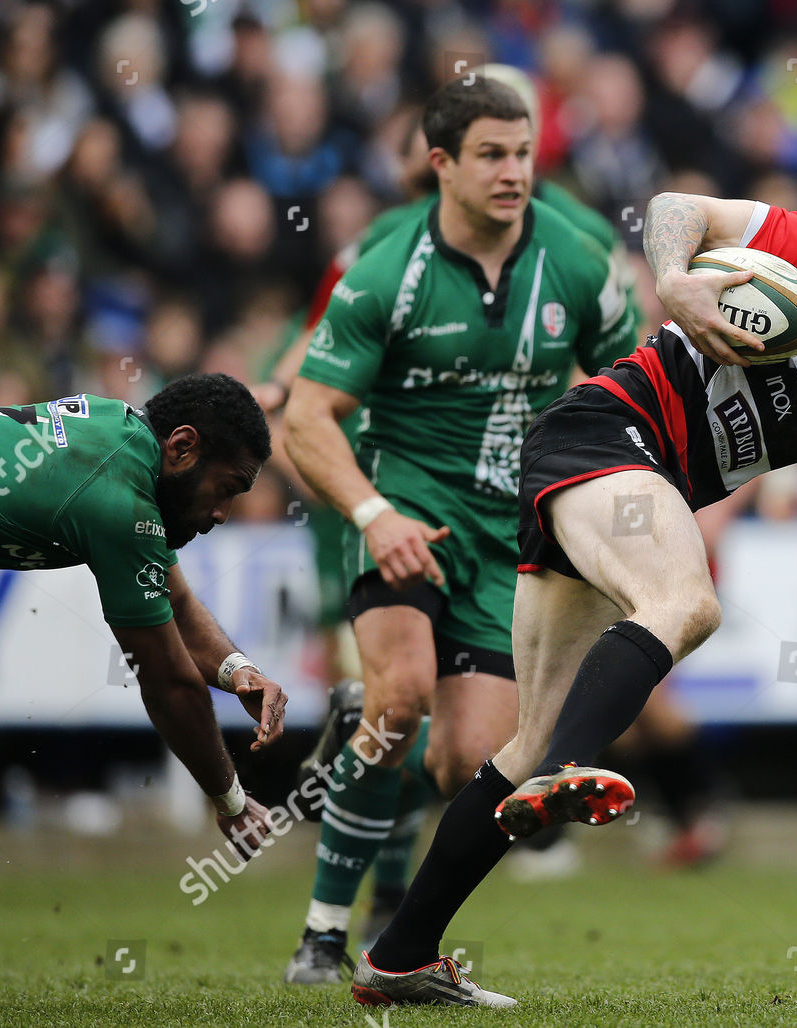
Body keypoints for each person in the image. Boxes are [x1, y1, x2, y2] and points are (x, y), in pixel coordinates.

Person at [348, 190, 797, 1007]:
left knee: (524, 745)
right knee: (687, 602)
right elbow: (678, 206)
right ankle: (577, 766)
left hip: (627, 479)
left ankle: (398, 958)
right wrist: (674, 280)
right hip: (603, 435)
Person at [279, 75, 638, 983]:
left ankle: (369, 788)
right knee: (398, 698)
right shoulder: (384, 270)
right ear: (440, 163)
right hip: (406, 513)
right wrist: (373, 512)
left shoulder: (582, 262)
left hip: (513, 536)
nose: (514, 172)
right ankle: (323, 937)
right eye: (491, 154)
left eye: (523, 153)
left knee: (468, 767)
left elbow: (636, 393)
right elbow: (308, 416)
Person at [0, 373, 287, 853]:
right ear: (182, 446)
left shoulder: (120, 432)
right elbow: (168, 683)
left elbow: (175, 603)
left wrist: (239, 670)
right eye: (226, 487)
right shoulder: (118, 503)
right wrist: (232, 802)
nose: (222, 513)